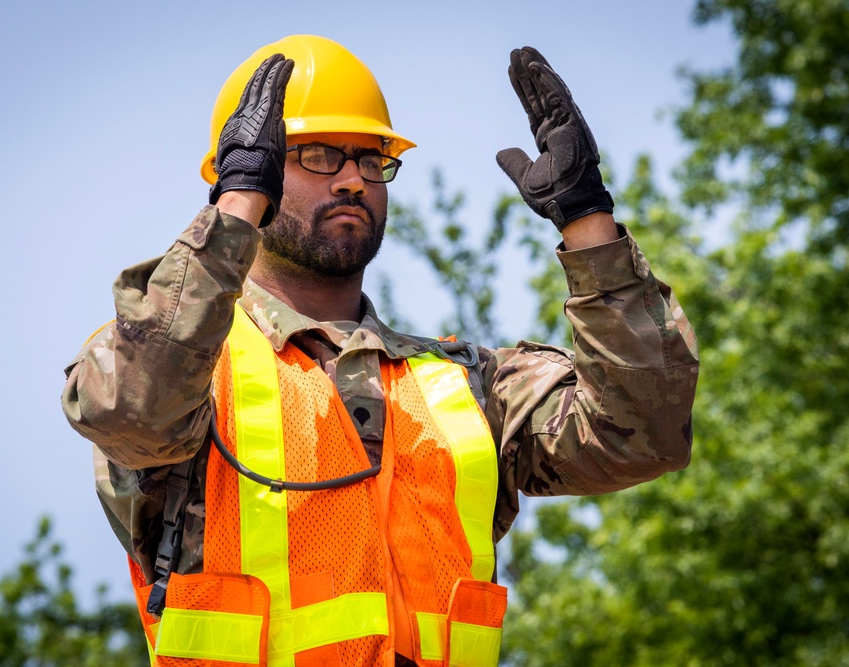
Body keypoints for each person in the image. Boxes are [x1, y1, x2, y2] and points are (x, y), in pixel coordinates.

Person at [62, 34, 698, 667]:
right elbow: (133, 412)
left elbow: (640, 435)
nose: (351, 180)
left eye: (372, 161)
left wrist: (589, 224)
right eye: (318, 156)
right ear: (246, 170)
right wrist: (233, 212)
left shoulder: (466, 385)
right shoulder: (182, 365)